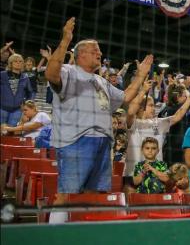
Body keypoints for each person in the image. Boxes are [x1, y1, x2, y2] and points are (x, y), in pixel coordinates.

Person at [44, 18, 152, 223]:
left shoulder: (101, 80)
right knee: (67, 194)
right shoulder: (68, 71)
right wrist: (66, 40)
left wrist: (140, 76)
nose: (100, 54)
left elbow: (126, 97)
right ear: (80, 54)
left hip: (103, 142)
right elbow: (51, 73)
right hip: (76, 141)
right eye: (95, 51)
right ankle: (54, 237)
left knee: (94, 195)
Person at [124, 80, 190, 188]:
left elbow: (177, 116)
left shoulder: (158, 122)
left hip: (157, 174)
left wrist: (189, 99)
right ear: (141, 108)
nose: (154, 108)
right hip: (134, 174)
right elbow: (131, 111)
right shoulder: (133, 123)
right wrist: (143, 90)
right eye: (151, 105)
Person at [1, 54, 34, 126]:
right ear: (10, 63)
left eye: (20, 61)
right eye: (15, 61)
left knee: (11, 131)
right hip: (2, 108)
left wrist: (26, 105)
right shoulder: (2, 75)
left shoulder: (25, 77)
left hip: (17, 109)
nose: (18, 63)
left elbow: (30, 93)